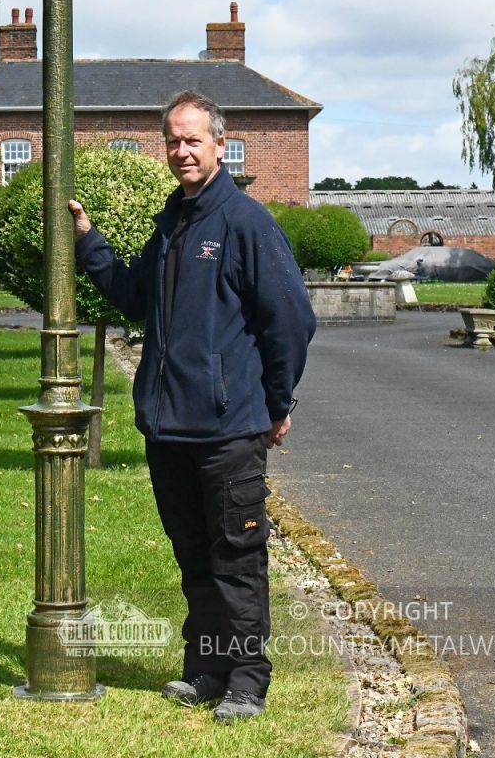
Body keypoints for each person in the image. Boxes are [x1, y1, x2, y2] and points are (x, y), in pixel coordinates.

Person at [68, 89, 315, 724]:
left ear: (218, 145)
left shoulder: (246, 223)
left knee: (236, 557)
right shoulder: (171, 222)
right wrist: (88, 241)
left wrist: (276, 401)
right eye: (173, 141)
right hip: (168, 427)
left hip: (227, 428)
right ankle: (205, 668)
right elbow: (133, 297)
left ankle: (247, 680)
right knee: (194, 557)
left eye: (193, 140)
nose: (182, 151)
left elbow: (291, 319)